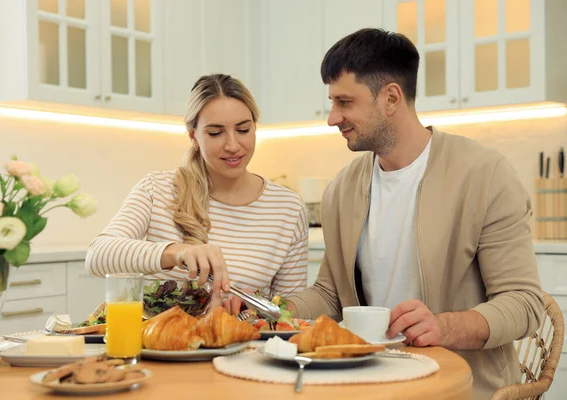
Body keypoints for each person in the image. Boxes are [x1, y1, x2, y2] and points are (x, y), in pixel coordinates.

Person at [230, 29, 544, 398]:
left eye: (345, 102)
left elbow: (524, 303)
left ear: (391, 97)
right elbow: (331, 296)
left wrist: (444, 327)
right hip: (363, 382)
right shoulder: (342, 190)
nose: (332, 117)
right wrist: (269, 307)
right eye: (332, 102)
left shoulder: (485, 175)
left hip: (461, 386)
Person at [85, 74, 309, 305]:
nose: (233, 145)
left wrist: (253, 310)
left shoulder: (287, 207)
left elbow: (288, 311)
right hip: (159, 339)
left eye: (243, 130)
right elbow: (98, 255)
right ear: (194, 136)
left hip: (244, 340)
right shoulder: (157, 189)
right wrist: (176, 253)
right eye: (215, 133)